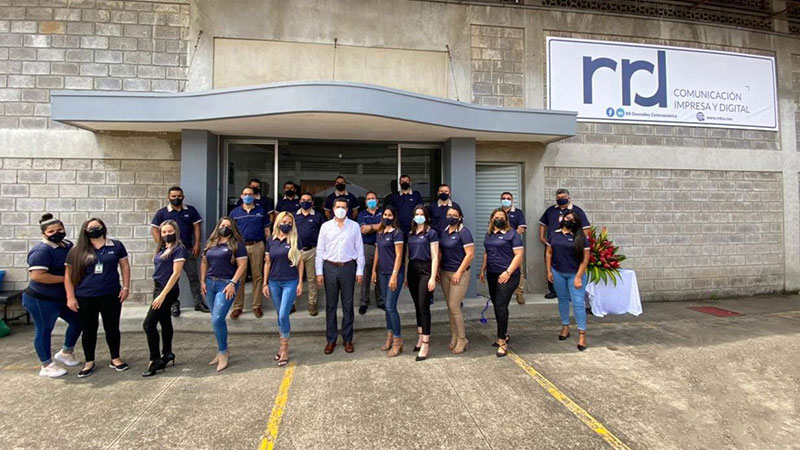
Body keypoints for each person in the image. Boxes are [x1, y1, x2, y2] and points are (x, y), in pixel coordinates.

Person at [65, 218, 131, 378]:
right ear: (85, 231)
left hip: (110, 294)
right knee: (89, 330)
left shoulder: (116, 245)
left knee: (112, 327)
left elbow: (125, 266)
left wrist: (126, 287)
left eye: (97, 227)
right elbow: (68, 276)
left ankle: (115, 358)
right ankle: (89, 361)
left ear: (103, 227)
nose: (95, 230)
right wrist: (70, 297)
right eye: (91, 228)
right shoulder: (77, 250)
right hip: (85, 296)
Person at [22, 214, 81, 378]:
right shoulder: (41, 251)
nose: (57, 233)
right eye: (51, 231)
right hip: (41, 299)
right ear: (44, 233)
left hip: (61, 297)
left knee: (79, 321)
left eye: (60, 229)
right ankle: (46, 365)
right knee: (44, 330)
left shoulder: (67, 245)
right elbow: (38, 276)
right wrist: (67, 279)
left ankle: (66, 352)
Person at [315, 197, 365, 355]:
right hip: (330, 267)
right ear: (333, 209)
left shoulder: (354, 226)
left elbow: (359, 249)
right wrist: (319, 272)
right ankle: (331, 339)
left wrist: (360, 270)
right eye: (338, 207)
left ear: (348, 209)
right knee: (331, 305)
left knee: (348, 305)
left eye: (343, 207)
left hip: (348, 267)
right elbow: (320, 250)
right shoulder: (326, 227)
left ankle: (347, 339)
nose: (341, 209)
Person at [150, 186, 208, 316]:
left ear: (183, 197)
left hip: (187, 249)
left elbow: (196, 227)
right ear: (168, 197)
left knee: (193, 277)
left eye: (179, 196)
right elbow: (155, 229)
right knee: (171, 279)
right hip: (169, 253)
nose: (176, 198)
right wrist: (162, 245)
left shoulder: (191, 210)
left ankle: (198, 303)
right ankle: (173, 305)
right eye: (173, 196)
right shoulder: (162, 213)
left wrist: (197, 244)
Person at [200, 217, 248, 372]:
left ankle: (223, 353)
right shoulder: (211, 243)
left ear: (232, 228)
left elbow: (242, 265)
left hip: (226, 284)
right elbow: (204, 263)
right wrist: (202, 281)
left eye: (228, 226)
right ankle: (223, 348)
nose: (224, 228)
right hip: (210, 283)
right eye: (222, 225)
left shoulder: (237, 244)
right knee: (216, 320)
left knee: (217, 319)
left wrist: (233, 283)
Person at [142, 220, 185, 377]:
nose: (167, 234)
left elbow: (176, 274)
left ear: (176, 232)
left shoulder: (178, 249)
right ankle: (167, 353)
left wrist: (162, 295)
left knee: (148, 324)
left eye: (170, 231)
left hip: (167, 290)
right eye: (164, 232)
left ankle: (155, 360)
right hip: (158, 287)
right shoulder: (162, 248)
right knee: (165, 321)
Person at [479, 209, 524, 358]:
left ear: (506, 220)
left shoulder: (513, 234)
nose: (499, 219)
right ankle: (503, 334)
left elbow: (518, 255)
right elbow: (487, 253)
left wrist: (508, 272)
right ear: (492, 219)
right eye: (496, 217)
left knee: (500, 305)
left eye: (502, 217)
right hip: (492, 274)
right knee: (497, 305)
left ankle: (502, 341)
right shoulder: (489, 234)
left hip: (508, 275)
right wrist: (482, 269)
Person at [263, 212, 304, 366]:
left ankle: (284, 348)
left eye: (289, 222)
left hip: (290, 282)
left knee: (282, 315)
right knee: (279, 315)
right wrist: (265, 283)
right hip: (274, 282)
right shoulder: (271, 240)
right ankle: (281, 346)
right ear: (278, 222)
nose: (286, 224)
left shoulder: (295, 239)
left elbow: (300, 262)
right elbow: (267, 262)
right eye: (284, 221)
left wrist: (300, 282)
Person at [546, 211, 590, 351]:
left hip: (575, 274)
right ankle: (565, 326)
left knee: (578, 303)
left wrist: (578, 277)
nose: (569, 221)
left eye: (572, 219)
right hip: (558, 272)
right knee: (562, 300)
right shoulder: (554, 234)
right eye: (567, 218)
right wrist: (549, 271)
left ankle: (582, 333)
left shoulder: (580, 237)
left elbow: (585, 259)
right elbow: (549, 253)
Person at [538, 188, 591, 300]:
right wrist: (542, 238)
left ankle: (571, 292)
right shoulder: (551, 210)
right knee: (551, 265)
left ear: (568, 197)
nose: (560, 199)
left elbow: (586, 228)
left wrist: (580, 241)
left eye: (563, 197)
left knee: (570, 267)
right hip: (554, 245)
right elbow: (542, 223)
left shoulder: (577, 211)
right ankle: (553, 290)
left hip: (571, 245)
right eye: (558, 198)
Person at [229, 186, 271, 319]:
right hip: (240, 247)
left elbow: (267, 231)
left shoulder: (261, 211)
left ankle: (256, 306)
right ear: (241, 196)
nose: (247, 196)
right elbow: (230, 232)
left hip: (257, 245)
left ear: (254, 196)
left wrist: (268, 249)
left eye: (250, 194)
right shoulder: (234, 213)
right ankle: (237, 307)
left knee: (257, 276)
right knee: (239, 277)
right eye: (245, 194)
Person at [438, 206, 474, 355]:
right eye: (449, 214)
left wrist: (459, 272)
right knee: (449, 306)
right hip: (445, 272)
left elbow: (470, 254)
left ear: (460, 217)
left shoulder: (464, 233)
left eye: (454, 215)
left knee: (454, 306)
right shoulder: (444, 232)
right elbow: (441, 252)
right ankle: (454, 335)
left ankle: (462, 338)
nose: (451, 217)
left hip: (460, 273)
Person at [406, 205, 439, 361]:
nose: (419, 216)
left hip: (425, 269)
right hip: (412, 269)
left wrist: (433, 277)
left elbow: (435, 256)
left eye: (421, 214)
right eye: (416, 214)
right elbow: (408, 256)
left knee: (423, 306)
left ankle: (426, 343)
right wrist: (406, 275)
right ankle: (420, 337)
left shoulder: (431, 233)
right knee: (417, 306)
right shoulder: (411, 233)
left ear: (426, 216)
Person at [371, 206, 404, 357]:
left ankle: (397, 341)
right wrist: (374, 270)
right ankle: (389, 337)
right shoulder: (380, 232)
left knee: (391, 306)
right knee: (386, 306)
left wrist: (394, 275)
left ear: (394, 217)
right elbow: (377, 252)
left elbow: (399, 255)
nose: (387, 217)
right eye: (385, 214)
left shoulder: (397, 233)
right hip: (382, 273)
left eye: (390, 215)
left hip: (393, 273)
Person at [294, 192, 324, 316]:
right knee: (294, 278)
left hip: (312, 250)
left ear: (312, 202)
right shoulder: (294, 216)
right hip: (295, 251)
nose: (305, 202)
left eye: (308, 200)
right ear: (299, 201)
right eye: (303, 200)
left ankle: (312, 304)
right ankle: (291, 303)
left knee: (312, 279)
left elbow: (323, 234)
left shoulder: (318, 216)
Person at [356, 191, 384, 315]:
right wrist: (377, 227)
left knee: (380, 273)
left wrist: (370, 227)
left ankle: (380, 300)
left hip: (382, 246)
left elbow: (384, 226)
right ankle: (364, 302)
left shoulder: (383, 212)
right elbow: (363, 230)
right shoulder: (362, 214)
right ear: (365, 202)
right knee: (365, 274)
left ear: (377, 200)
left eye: (373, 198)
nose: (371, 200)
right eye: (369, 199)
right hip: (367, 247)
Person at [499, 192, 528, 305]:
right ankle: (500, 291)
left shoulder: (518, 213)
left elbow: (521, 228)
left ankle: (519, 292)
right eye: (503, 198)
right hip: (500, 245)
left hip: (515, 245)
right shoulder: (498, 212)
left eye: (508, 198)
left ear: (512, 200)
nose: (506, 200)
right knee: (500, 266)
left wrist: (509, 236)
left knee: (519, 268)